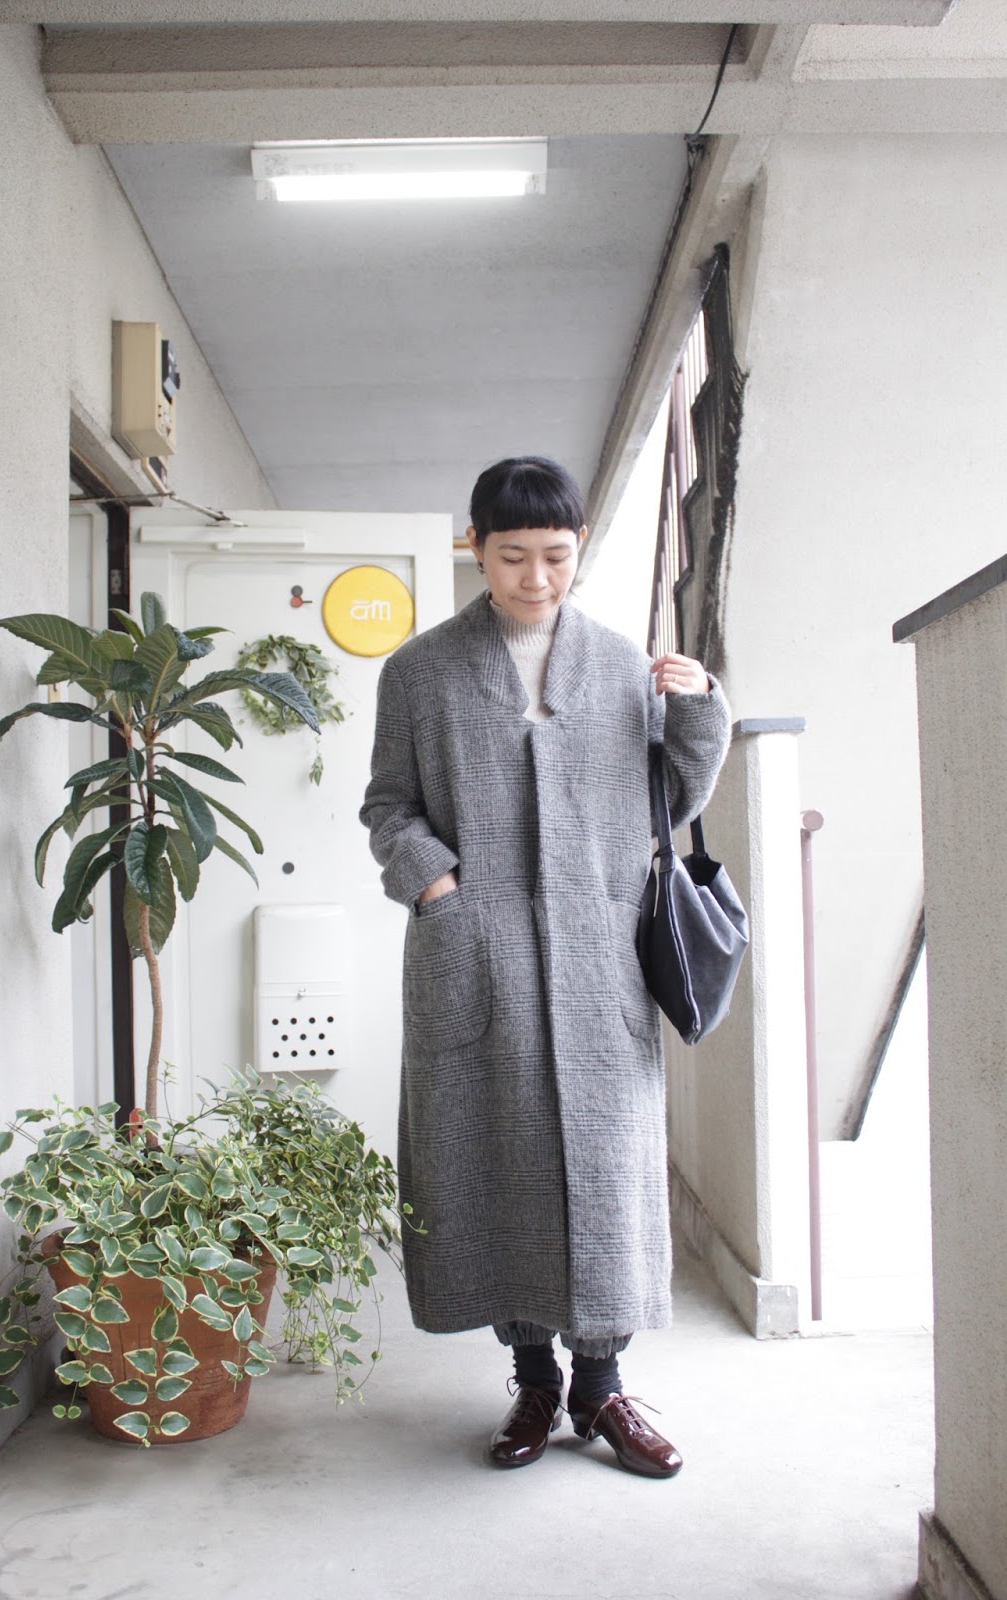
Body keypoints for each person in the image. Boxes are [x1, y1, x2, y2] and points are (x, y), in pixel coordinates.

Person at [360, 455, 730, 1476]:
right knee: (496, 1162)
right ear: (475, 548)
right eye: (513, 556)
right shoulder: (420, 672)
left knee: (607, 1171)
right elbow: (388, 805)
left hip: (601, 960)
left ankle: (601, 1389)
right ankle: (533, 1381)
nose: (535, 578)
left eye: (556, 556)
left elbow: (675, 796)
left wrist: (700, 705)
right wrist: (437, 887)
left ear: (578, 549)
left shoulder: (619, 665)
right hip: (476, 957)